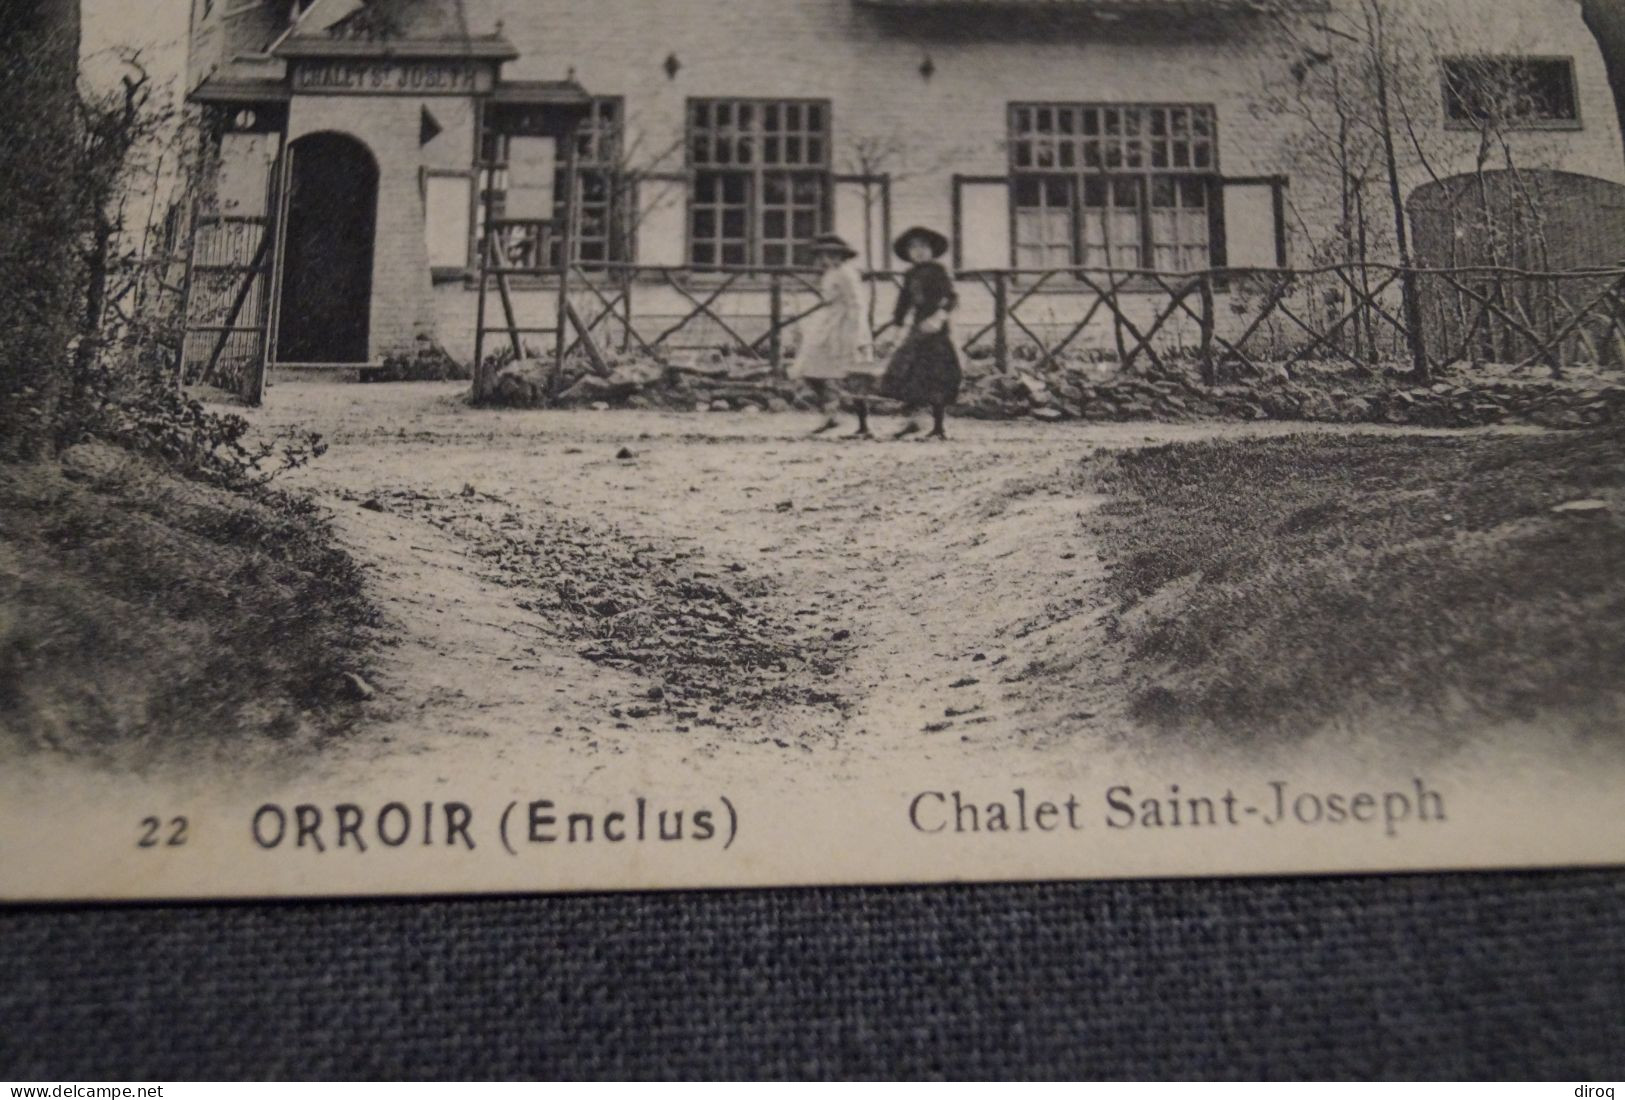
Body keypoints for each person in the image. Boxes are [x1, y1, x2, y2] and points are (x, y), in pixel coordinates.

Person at [878, 226, 961, 440]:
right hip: (917, 328)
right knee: (907, 370)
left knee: (935, 375)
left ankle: (938, 427)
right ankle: (913, 421)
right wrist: (897, 327)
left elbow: (951, 298)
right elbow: (903, 302)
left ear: (932, 250)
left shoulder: (938, 271)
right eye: (913, 247)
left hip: (936, 331)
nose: (919, 251)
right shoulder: (910, 274)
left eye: (923, 246)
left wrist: (938, 317)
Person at [790, 233, 875, 438]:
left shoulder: (847, 273)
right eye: (824, 255)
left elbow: (857, 304)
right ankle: (831, 413)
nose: (827, 259)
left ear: (842, 256)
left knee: (854, 374)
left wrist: (856, 334)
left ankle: (864, 425)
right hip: (828, 324)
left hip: (846, 326)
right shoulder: (830, 273)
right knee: (810, 367)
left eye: (832, 255)